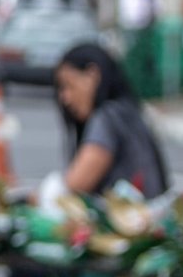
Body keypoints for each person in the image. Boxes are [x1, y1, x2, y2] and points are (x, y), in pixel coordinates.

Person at [54, 43, 169, 197]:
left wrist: (43, 194)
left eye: (69, 86)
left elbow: (75, 185)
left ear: (92, 75)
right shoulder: (128, 111)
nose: (65, 98)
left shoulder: (107, 118)